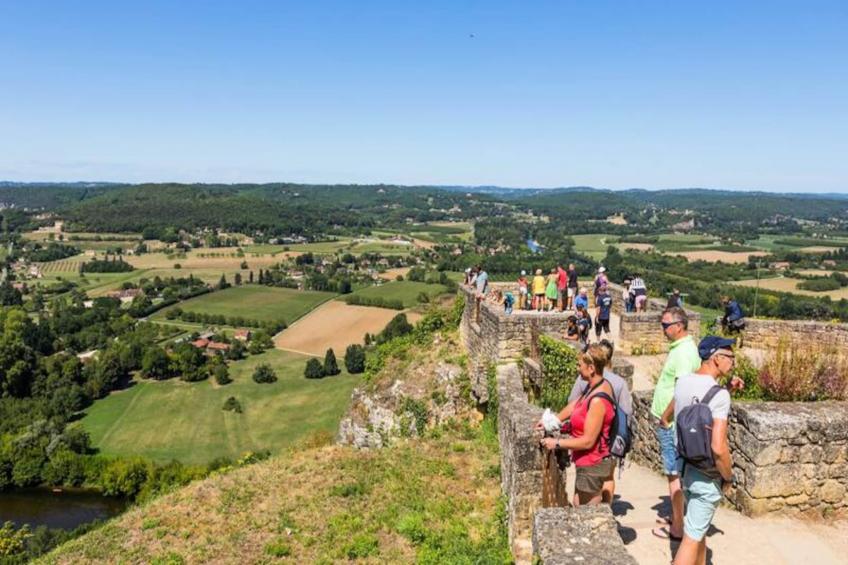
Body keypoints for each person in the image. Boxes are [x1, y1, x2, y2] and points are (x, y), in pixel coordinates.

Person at [671, 337, 739, 565]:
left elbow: (697, 407)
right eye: (730, 357)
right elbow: (718, 448)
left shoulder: (682, 382)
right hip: (707, 475)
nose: (733, 362)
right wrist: (728, 477)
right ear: (716, 358)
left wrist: (726, 390)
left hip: (686, 468)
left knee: (696, 532)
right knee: (691, 539)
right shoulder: (719, 395)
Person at [536, 345, 615, 506]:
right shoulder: (595, 386)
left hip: (593, 463)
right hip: (586, 462)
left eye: (580, 365)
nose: (577, 368)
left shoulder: (598, 400)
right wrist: (551, 422)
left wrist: (556, 443)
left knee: (586, 515)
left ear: (591, 368)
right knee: (578, 505)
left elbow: (588, 441)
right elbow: (575, 405)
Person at [651, 307, 702, 542]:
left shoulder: (683, 353)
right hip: (672, 422)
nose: (662, 329)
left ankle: (678, 528)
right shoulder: (683, 349)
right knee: (675, 474)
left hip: (671, 424)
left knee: (673, 475)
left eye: (665, 325)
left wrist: (665, 416)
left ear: (679, 326)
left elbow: (682, 389)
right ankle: (678, 517)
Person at [567, 339, 633, 503]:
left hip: (592, 449)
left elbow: (572, 401)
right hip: (610, 444)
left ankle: (601, 513)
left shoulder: (588, 381)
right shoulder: (617, 383)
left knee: (585, 495)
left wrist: (560, 441)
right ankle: (607, 508)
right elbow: (627, 412)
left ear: (591, 366)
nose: (578, 368)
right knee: (608, 477)